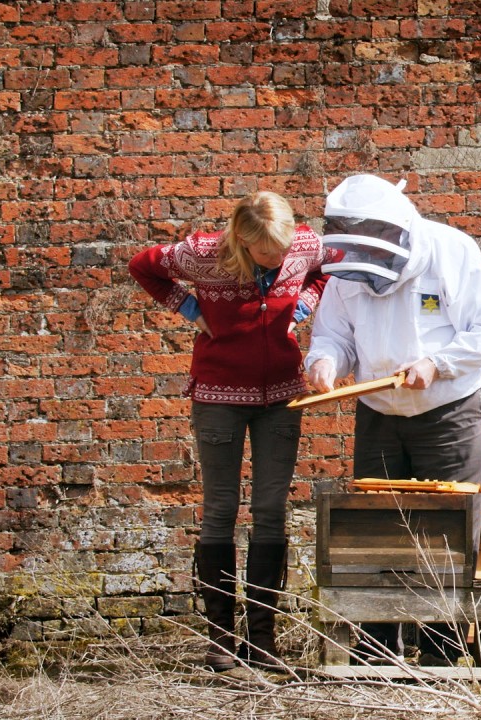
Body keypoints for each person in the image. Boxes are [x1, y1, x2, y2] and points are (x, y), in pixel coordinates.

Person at [304, 174, 481, 665]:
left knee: (447, 530)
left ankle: (442, 650)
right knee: (376, 528)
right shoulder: (346, 273)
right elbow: (332, 334)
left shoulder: (452, 251)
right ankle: (377, 646)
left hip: (448, 412)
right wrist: (325, 362)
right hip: (378, 411)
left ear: (397, 230)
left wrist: (436, 364)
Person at [128, 191, 338, 672]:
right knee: (220, 509)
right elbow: (143, 265)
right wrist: (189, 310)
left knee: (270, 510)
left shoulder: (303, 244)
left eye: (284, 249)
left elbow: (329, 265)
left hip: (283, 395)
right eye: (268, 252)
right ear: (242, 239)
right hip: (219, 396)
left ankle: (262, 642)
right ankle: (221, 641)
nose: (279, 258)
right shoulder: (202, 253)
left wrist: (306, 301)